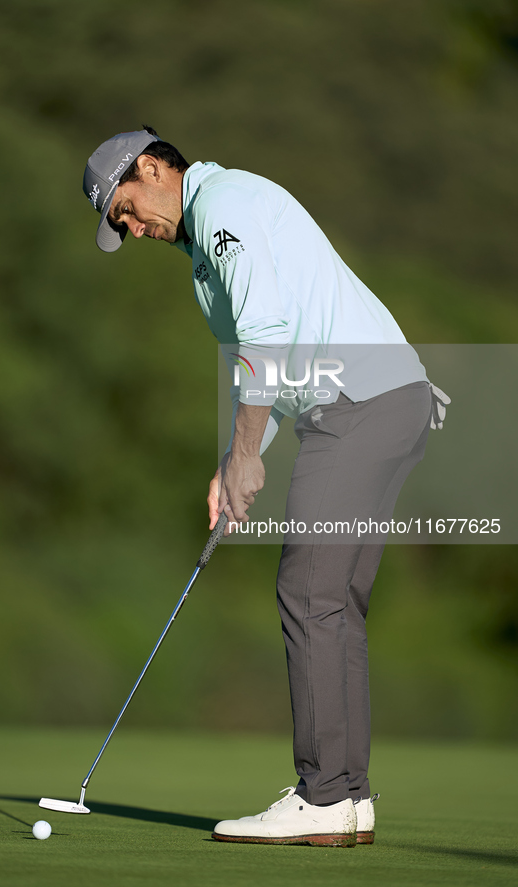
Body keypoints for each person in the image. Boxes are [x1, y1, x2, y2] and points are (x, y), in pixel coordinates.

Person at [82, 126, 449, 847]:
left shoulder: (223, 206)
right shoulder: (209, 245)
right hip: (385, 397)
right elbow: (269, 372)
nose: (130, 228)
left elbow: (267, 336)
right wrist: (235, 461)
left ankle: (321, 796)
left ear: (152, 168)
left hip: (357, 405)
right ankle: (345, 796)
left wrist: (247, 454)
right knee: (333, 602)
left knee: (308, 592)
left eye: (123, 208)